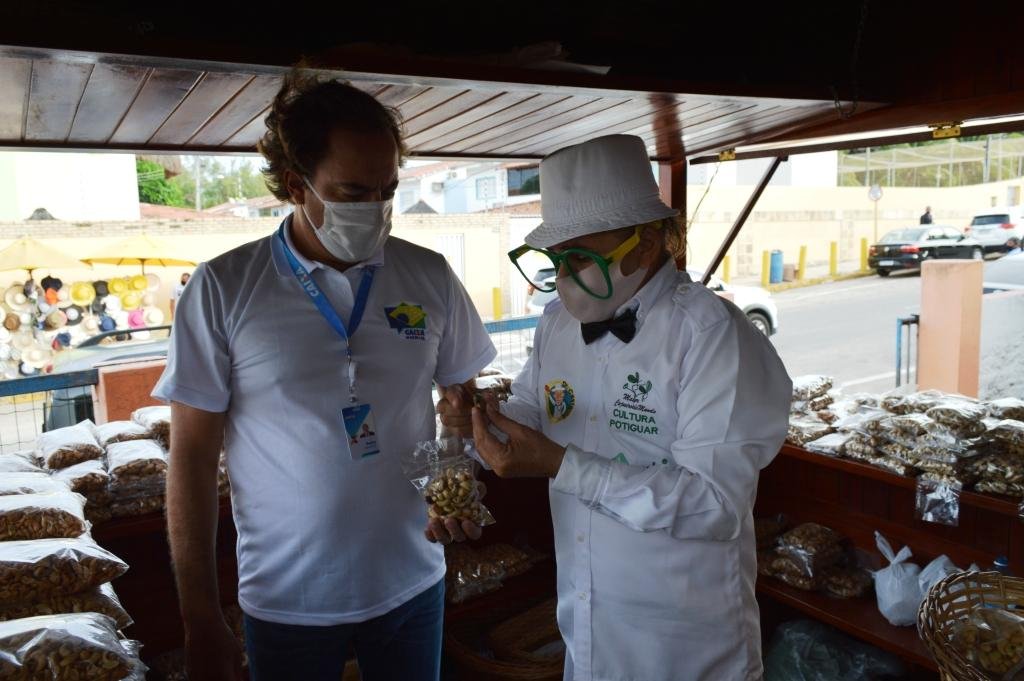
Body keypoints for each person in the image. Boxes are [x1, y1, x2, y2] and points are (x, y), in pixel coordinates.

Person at [153, 71, 496, 681]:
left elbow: (459, 394)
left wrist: (455, 475)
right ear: (296, 185)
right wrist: (200, 616)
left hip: (413, 582)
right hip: (289, 600)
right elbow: (193, 459)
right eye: (353, 192)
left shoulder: (429, 275)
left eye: (388, 188)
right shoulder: (224, 288)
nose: (376, 209)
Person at [439, 135, 792, 681]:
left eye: (581, 256)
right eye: (555, 259)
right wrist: (481, 424)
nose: (563, 276)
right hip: (585, 626)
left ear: (647, 243)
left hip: (685, 645)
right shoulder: (556, 323)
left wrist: (563, 466)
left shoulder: (710, 333)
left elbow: (714, 503)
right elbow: (535, 412)